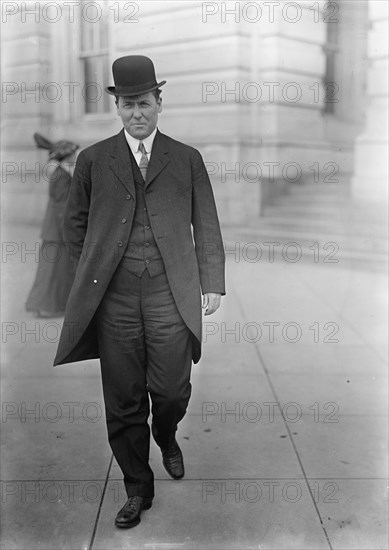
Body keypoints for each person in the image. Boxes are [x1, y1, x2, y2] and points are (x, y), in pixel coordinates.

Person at [53, 55, 225, 528]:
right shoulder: (92, 160)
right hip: (116, 301)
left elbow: (206, 223)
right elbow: (74, 226)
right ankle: (136, 486)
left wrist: (212, 283)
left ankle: (166, 435)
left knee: (170, 391)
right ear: (118, 107)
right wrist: (91, 276)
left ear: (159, 103)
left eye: (144, 103)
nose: (137, 113)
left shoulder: (186, 158)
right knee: (123, 398)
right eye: (128, 105)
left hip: (172, 295)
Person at [25, 134, 79, 317]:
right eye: (73, 153)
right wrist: (69, 229)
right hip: (57, 230)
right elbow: (61, 206)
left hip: (54, 229)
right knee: (51, 271)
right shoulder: (61, 176)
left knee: (56, 270)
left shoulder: (60, 173)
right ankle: (40, 304)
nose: (75, 156)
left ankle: (49, 305)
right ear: (65, 156)